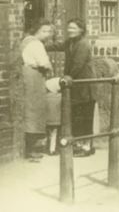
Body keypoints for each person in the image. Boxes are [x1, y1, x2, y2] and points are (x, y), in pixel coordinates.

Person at [53, 19, 97, 156]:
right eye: (69, 28)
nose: (70, 30)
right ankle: (80, 144)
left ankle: (87, 147)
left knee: (85, 116)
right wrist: (38, 43)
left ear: (81, 30)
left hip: (85, 85)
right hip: (76, 86)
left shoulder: (83, 44)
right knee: (77, 115)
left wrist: (66, 79)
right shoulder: (70, 42)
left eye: (73, 28)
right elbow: (57, 46)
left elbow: (78, 65)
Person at [20, 19, 54, 161]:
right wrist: (50, 68)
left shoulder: (25, 40)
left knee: (29, 110)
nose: (47, 34)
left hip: (26, 75)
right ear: (36, 31)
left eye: (49, 31)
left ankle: (29, 147)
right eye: (44, 31)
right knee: (34, 111)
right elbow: (43, 63)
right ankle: (32, 149)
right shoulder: (36, 43)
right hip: (34, 76)